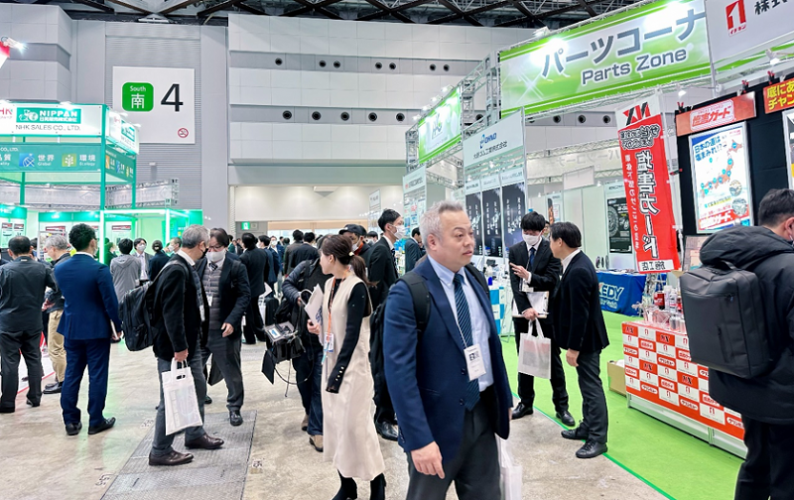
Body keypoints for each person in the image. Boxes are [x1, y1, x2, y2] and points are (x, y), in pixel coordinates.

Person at [383, 201, 513, 500]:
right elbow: (399, 374)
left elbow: (490, 345)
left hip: (482, 415)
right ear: (432, 242)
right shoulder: (408, 292)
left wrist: (503, 397)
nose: (469, 241)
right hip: (434, 424)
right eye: (458, 235)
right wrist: (418, 439)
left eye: (471, 233)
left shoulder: (474, 278)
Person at [697, 189, 794, 499]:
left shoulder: (725, 259)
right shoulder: (788, 268)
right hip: (783, 396)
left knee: (757, 465)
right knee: (788, 477)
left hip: (743, 385)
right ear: (790, 225)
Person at [306, 236, 386, 500]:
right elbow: (335, 327)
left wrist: (338, 373)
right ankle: (347, 483)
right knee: (336, 426)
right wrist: (319, 329)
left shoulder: (356, 288)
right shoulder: (329, 284)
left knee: (357, 428)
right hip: (331, 363)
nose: (319, 260)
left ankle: (377, 481)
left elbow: (352, 335)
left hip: (352, 370)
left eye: (321, 255)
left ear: (331, 258)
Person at [149, 225, 224, 466]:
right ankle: (160, 450)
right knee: (172, 397)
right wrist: (179, 348)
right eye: (207, 246)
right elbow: (172, 314)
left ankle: (194, 434)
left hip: (190, 345)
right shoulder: (176, 269)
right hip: (175, 349)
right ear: (201, 245)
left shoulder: (184, 266)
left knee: (198, 389)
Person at [549, 222, 609, 459]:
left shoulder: (579, 270)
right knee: (586, 385)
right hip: (586, 338)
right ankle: (587, 427)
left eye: (551, 239)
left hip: (586, 341)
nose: (549, 244)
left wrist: (574, 348)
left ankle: (598, 438)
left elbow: (580, 315)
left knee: (591, 388)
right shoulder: (575, 263)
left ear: (560, 241)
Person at [508, 212, 573, 426]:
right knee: (525, 358)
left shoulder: (551, 249)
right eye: (525, 231)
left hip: (547, 314)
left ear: (542, 231)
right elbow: (515, 285)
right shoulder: (515, 251)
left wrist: (529, 276)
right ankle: (525, 402)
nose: (528, 234)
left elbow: (552, 280)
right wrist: (525, 308)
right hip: (523, 315)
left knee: (553, 360)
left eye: (532, 231)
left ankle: (562, 407)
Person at [56, 224, 122, 436]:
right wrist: (118, 326)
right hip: (96, 329)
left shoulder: (60, 268)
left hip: (71, 328)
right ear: (93, 242)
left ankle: (70, 421)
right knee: (97, 375)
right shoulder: (99, 269)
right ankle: (96, 420)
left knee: (72, 374)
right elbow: (110, 302)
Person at [196, 228, 251, 427]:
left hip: (224, 330)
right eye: (208, 248)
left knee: (231, 372)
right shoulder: (199, 264)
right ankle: (198, 402)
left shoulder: (236, 266)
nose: (211, 251)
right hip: (201, 330)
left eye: (216, 247)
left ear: (225, 247)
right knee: (195, 370)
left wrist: (232, 320)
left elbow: (244, 296)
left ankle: (234, 407)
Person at [0, 236, 56, 414]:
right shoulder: (42, 268)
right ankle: (35, 397)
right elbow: (58, 287)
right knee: (33, 359)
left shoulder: (4, 270)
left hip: (8, 323)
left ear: (10, 252)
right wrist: (49, 300)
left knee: (9, 362)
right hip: (33, 321)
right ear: (31, 249)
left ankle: (7, 402)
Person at [283, 250, 332, 453]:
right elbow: (287, 284)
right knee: (303, 381)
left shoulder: (340, 276)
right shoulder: (305, 268)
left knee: (319, 386)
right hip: (302, 337)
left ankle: (317, 430)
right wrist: (298, 297)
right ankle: (309, 412)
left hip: (325, 341)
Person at [367, 208, 404, 441]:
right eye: (400, 223)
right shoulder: (380, 250)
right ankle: (383, 418)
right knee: (382, 368)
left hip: (390, 314)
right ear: (389, 227)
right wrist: (381, 314)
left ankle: (388, 413)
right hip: (383, 317)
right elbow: (374, 286)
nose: (403, 226)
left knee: (390, 366)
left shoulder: (387, 249)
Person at [42, 236, 72, 395]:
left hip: (59, 309)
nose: (46, 252)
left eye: (47, 249)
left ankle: (62, 381)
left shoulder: (59, 266)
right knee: (65, 347)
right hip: (71, 308)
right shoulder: (72, 262)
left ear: (53, 248)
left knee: (55, 347)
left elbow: (56, 289)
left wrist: (47, 301)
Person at [239, 232, 270, 344]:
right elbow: (267, 268)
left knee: (248, 314)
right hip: (258, 286)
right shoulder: (262, 252)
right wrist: (264, 281)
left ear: (244, 243)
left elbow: (241, 276)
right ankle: (261, 334)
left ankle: (250, 338)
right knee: (255, 311)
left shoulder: (244, 257)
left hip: (247, 289)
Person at [110, 239, 142, 303]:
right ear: (131, 248)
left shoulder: (113, 262)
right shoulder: (137, 261)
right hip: (132, 294)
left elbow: (111, 277)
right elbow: (138, 278)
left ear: (119, 249)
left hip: (117, 293)